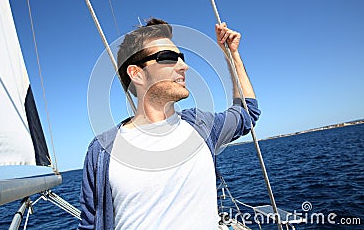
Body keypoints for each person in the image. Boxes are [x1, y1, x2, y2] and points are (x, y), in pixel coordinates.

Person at [78, 18, 260, 230]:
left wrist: (232, 55)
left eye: (181, 58)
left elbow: (248, 112)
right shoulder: (102, 151)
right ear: (136, 73)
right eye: (169, 58)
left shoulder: (201, 125)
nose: (184, 66)